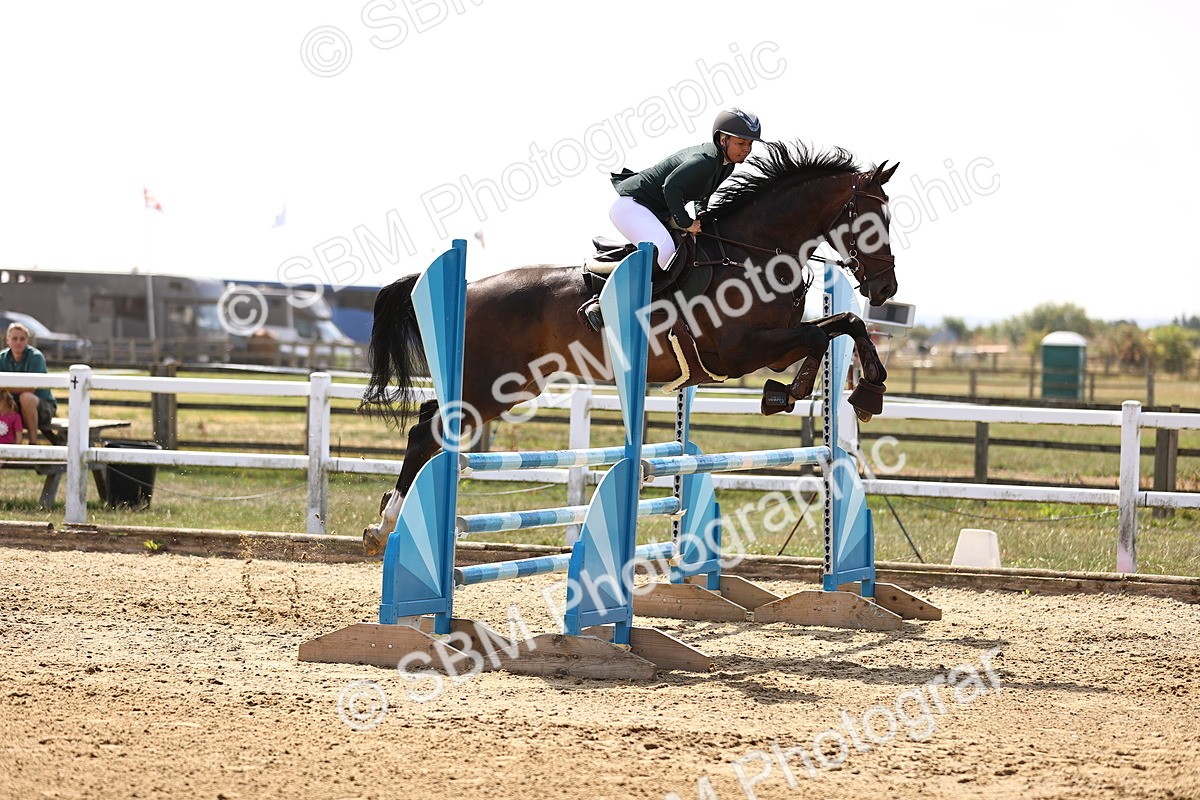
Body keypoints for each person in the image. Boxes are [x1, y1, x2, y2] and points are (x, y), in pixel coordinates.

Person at [582, 108, 763, 328]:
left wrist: (701, 217)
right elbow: (671, 187)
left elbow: (703, 195)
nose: (746, 150)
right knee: (665, 249)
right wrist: (686, 223)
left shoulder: (726, 165)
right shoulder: (706, 161)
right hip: (632, 206)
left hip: (654, 211)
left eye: (750, 145)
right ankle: (602, 303)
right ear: (723, 140)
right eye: (741, 143)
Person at [0, 322, 57, 445]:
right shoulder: (2, 357)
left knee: (26, 397)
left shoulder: (36, 357)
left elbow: (30, 388)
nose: (18, 342)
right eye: (14, 338)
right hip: (14, 406)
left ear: (27, 341)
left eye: (22, 339)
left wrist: (4, 387)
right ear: (8, 340)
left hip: (42, 408)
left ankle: (33, 443)